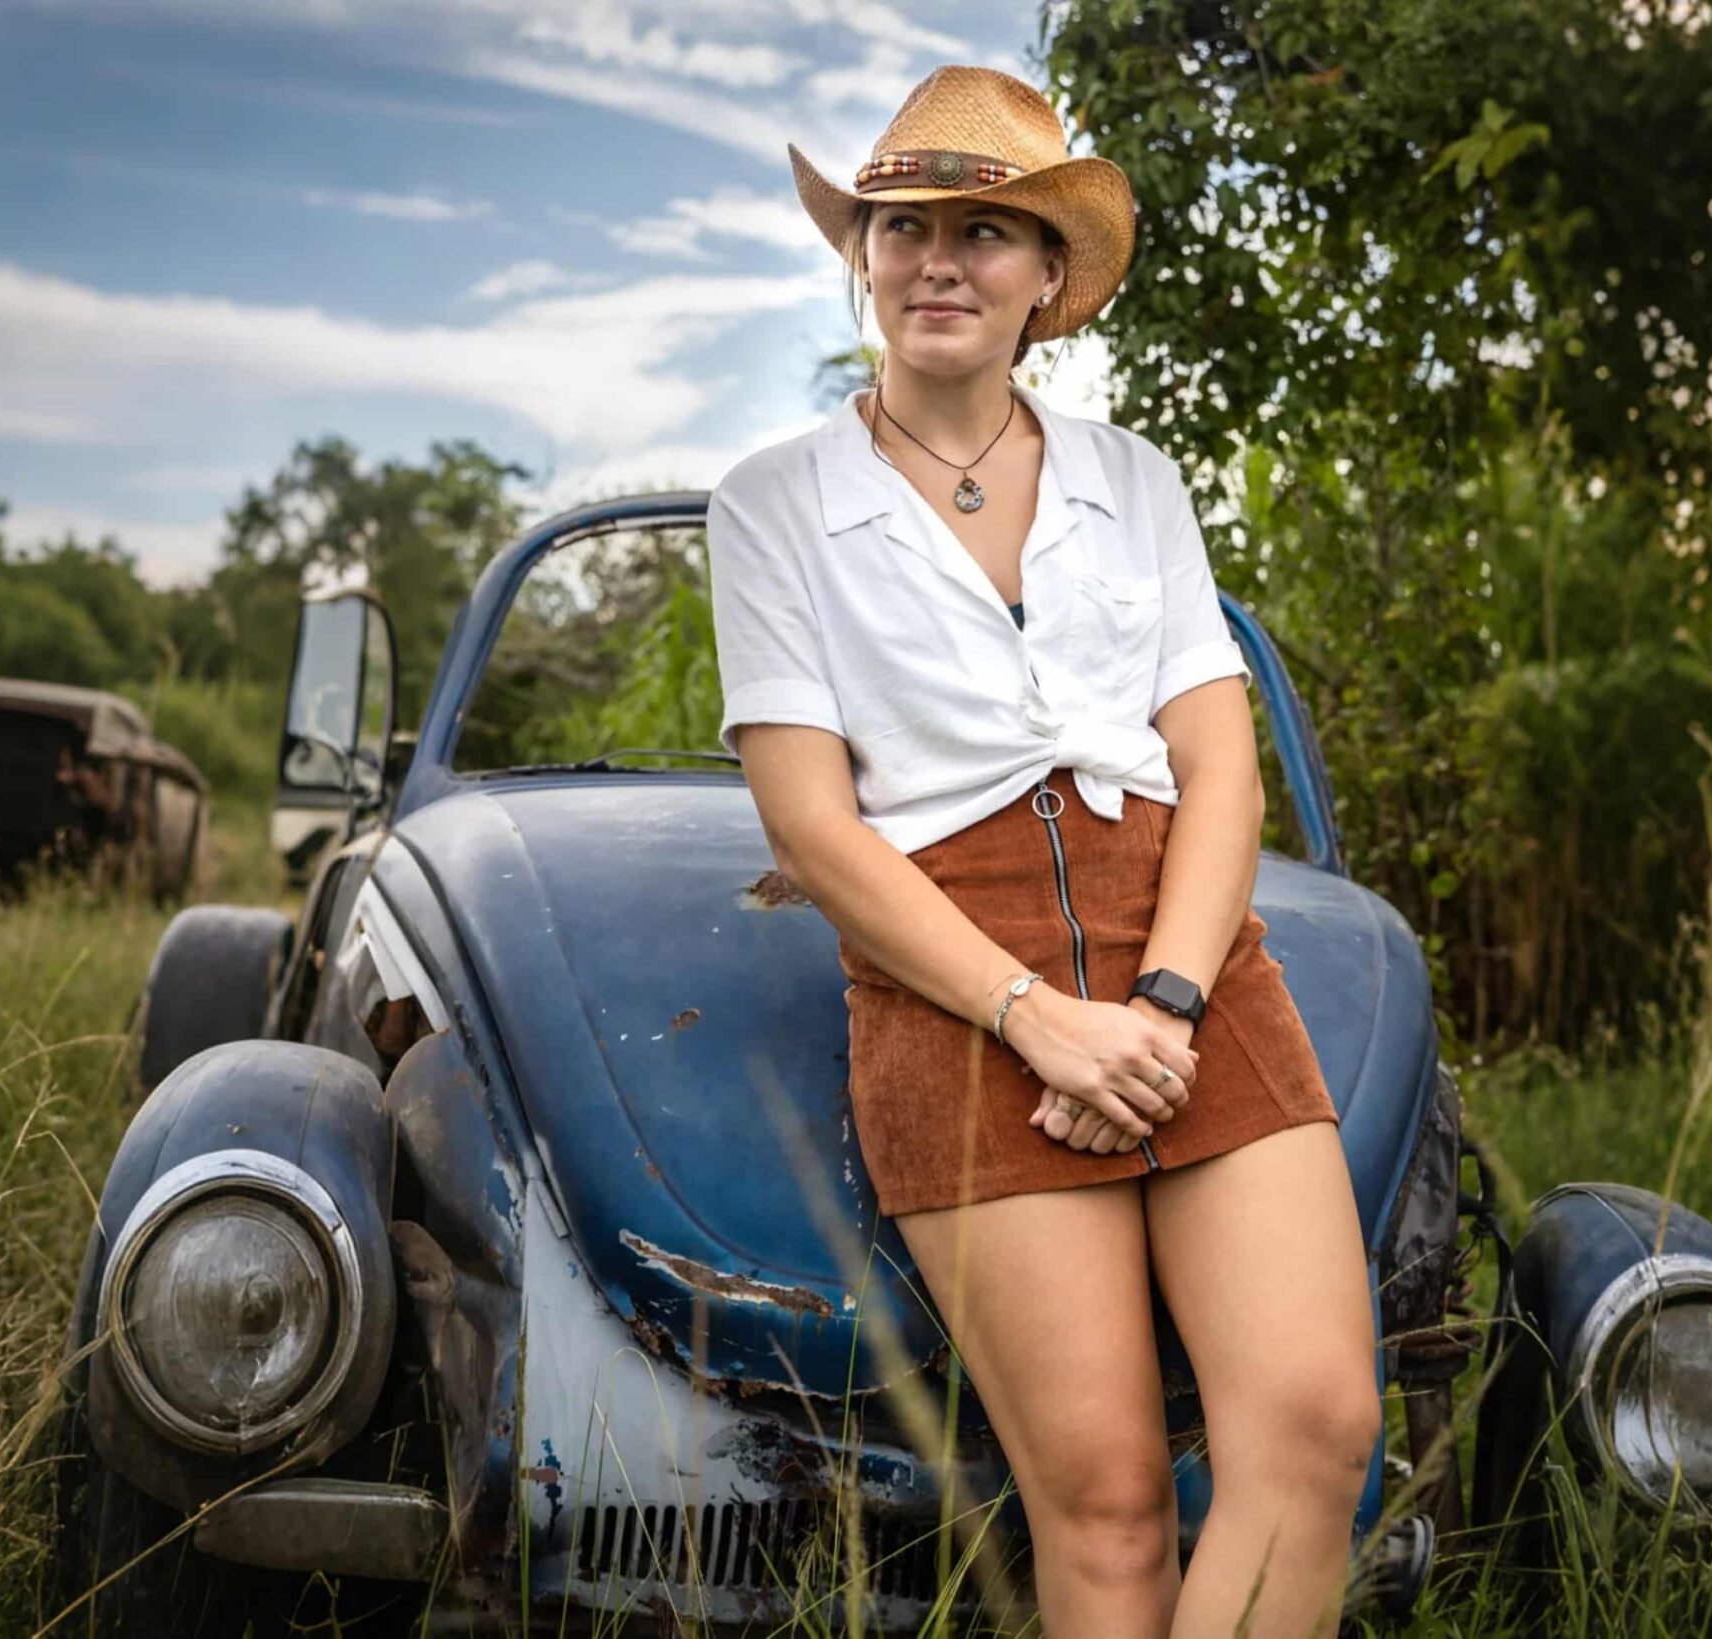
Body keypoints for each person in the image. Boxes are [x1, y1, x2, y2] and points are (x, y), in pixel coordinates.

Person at [705, 64, 1378, 1639]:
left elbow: (1220, 771)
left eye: (988, 229)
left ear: (1047, 283)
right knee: (1108, 1506)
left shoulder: (1135, 484)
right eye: (904, 224)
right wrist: (1035, 1016)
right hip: (954, 974)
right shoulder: (774, 504)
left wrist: (1165, 1001)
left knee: (1315, 1424)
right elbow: (810, 824)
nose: (939, 259)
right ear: (860, 256)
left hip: (1188, 956)